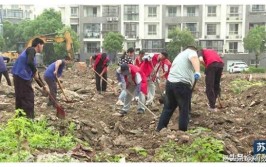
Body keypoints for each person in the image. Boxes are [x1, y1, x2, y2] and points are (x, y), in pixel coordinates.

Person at [156, 45, 201, 132]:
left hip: (170, 83)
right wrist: (198, 71)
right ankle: (182, 132)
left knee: (168, 107)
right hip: (182, 84)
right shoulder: (192, 52)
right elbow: (194, 58)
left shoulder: (180, 54)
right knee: (184, 109)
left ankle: (160, 128)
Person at [11, 38, 47, 119]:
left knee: (20, 98)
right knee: (28, 97)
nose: (42, 48)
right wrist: (34, 72)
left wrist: (43, 86)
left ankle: (19, 119)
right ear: (38, 45)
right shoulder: (31, 50)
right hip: (22, 77)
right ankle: (29, 119)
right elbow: (30, 64)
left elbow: (35, 73)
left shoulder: (30, 53)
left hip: (18, 76)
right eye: (42, 46)